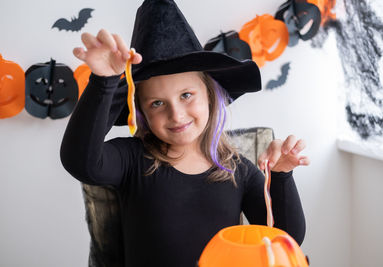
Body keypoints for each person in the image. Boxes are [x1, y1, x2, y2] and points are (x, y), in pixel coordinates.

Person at [60, 0, 309, 266]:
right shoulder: (131, 159)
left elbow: (286, 237)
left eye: (186, 95)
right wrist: (104, 82)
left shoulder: (238, 170)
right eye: (157, 103)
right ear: (141, 112)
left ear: (210, 96)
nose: (176, 115)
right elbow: (80, 162)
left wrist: (281, 176)